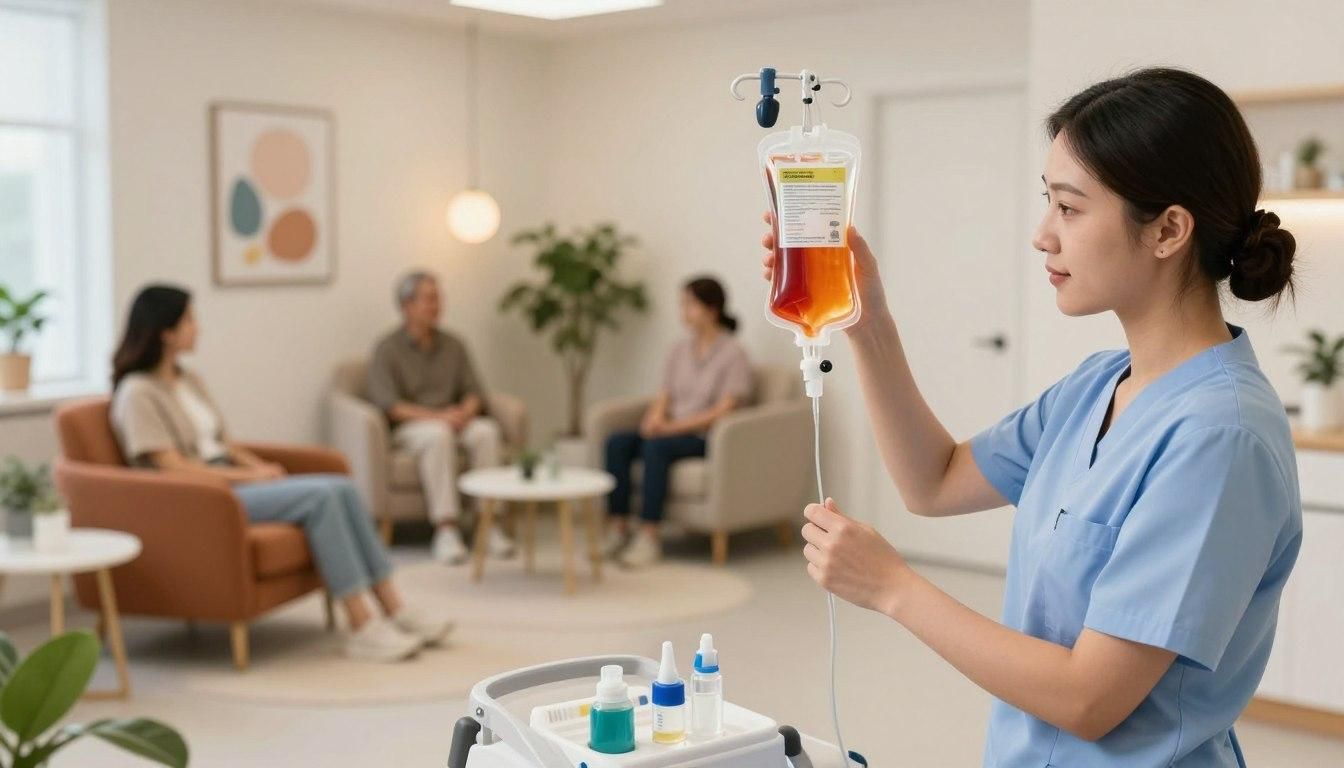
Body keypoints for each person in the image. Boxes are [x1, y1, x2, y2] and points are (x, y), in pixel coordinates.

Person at [768, 68, 1302, 766]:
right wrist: (867, 322)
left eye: (1070, 209)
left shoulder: (1219, 439)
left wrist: (893, 588)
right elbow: (934, 480)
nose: (1042, 235)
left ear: (1169, 230)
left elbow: (1089, 699)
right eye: (1047, 201)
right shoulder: (1096, 386)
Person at [110, 285, 452, 663]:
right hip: (204, 497)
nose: (198, 328)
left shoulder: (188, 381)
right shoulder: (137, 393)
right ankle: (361, 625)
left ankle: (395, 608)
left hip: (231, 480)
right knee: (321, 498)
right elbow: (171, 466)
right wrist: (249, 479)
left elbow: (224, 444)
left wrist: (258, 466)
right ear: (166, 332)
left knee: (343, 488)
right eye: (189, 320)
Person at [603, 276, 754, 568]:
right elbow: (664, 394)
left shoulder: (733, 353)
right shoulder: (678, 350)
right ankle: (618, 527)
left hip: (703, 437)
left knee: (655, 448)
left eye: (690, 304)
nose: (683, 311)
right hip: (669, 430)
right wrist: (653, 419)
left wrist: (669, 429)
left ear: (712, 309)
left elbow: (725, 409)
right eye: (682, 304)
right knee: (617, 443)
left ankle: (649, 536)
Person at [366, 271, 511, 565]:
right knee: (438, 436)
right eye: (429, 299)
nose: (437, 306)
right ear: (407, 306)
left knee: (486, 432)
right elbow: (390, 405)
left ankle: (488, 523)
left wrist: (464, 413)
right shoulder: (387, 349)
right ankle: (446, 528)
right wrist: (438, 417)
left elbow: (474, 391)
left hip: (453, 419)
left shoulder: (454, 345)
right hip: (413, 427)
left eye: (438, 299)